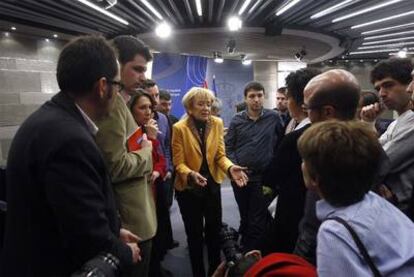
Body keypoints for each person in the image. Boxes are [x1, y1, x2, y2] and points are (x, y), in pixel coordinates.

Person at [0, 36, 140, 276]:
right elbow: (86, 237)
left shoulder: (48, 120)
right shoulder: (70, 140)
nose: (118, 94)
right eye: (118, 86)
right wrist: (126, 252)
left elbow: (67, 210)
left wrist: (114, 230)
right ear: (102, 87)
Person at [298, 121, 414, 276]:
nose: (302, 164)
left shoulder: (334, 232)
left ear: (315, 179)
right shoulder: (375, 201)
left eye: (305, 160)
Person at [95, 35, 155, 277]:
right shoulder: (111, 107)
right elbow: (115, 166)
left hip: (137, 212)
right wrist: (147, 152)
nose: (142, 77)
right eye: (137, 69)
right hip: (129, 219)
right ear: (116, 65)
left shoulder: (121, 103)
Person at [172, 87, 248, 277]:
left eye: (208, 103)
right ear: (190, 107)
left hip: (212, 186)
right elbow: (178, 163)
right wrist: (191, 174)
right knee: (194, 235)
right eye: (201, 104)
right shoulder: (179, 128)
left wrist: (230, 168)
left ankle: (216, 271)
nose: (206, 108)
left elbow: (220, 156)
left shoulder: (217, 123)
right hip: (189, 188)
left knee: (214, 234)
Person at [262, 68, 320, 255]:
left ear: (302, 102)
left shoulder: (298, 138)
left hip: (295, 213)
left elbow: (271, 176)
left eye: (288, 98)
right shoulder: (336, 132)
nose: (285, 103)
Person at [226, 81, 283, 253]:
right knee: (245, 214)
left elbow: (281, 142)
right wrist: (235, 166)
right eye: (252, 96)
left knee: (257, 219)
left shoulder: (274, 117)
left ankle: (250, 254)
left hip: (263, 178)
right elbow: (228, 147)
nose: (256, 99)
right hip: (240, 177)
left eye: (259, 95)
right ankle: (245, 241)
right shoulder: (237, 120)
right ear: (246, 99)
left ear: (264, 97)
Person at [361, 58, 414, 219]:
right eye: (378, 88)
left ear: (408, 86)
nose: (382, 93)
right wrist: (369, 123)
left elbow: (375, 163)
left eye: (388, 85)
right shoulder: (396, 123)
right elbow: (369, 155)